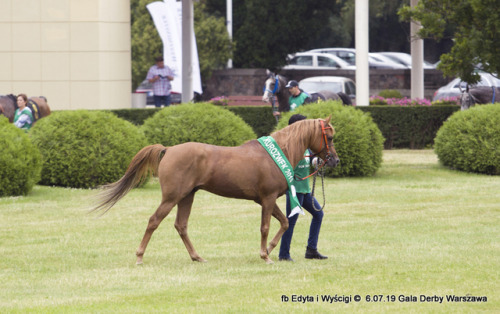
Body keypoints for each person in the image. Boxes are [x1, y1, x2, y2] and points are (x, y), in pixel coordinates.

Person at [279, 114, 328, 261]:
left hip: (305, 190)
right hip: (295, 190)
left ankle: (311, 250)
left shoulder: (304, 145)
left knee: (319, 215)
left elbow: (310, 157)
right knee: (290, 222)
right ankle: (283, 254)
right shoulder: (289, 147)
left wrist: (315, 161)